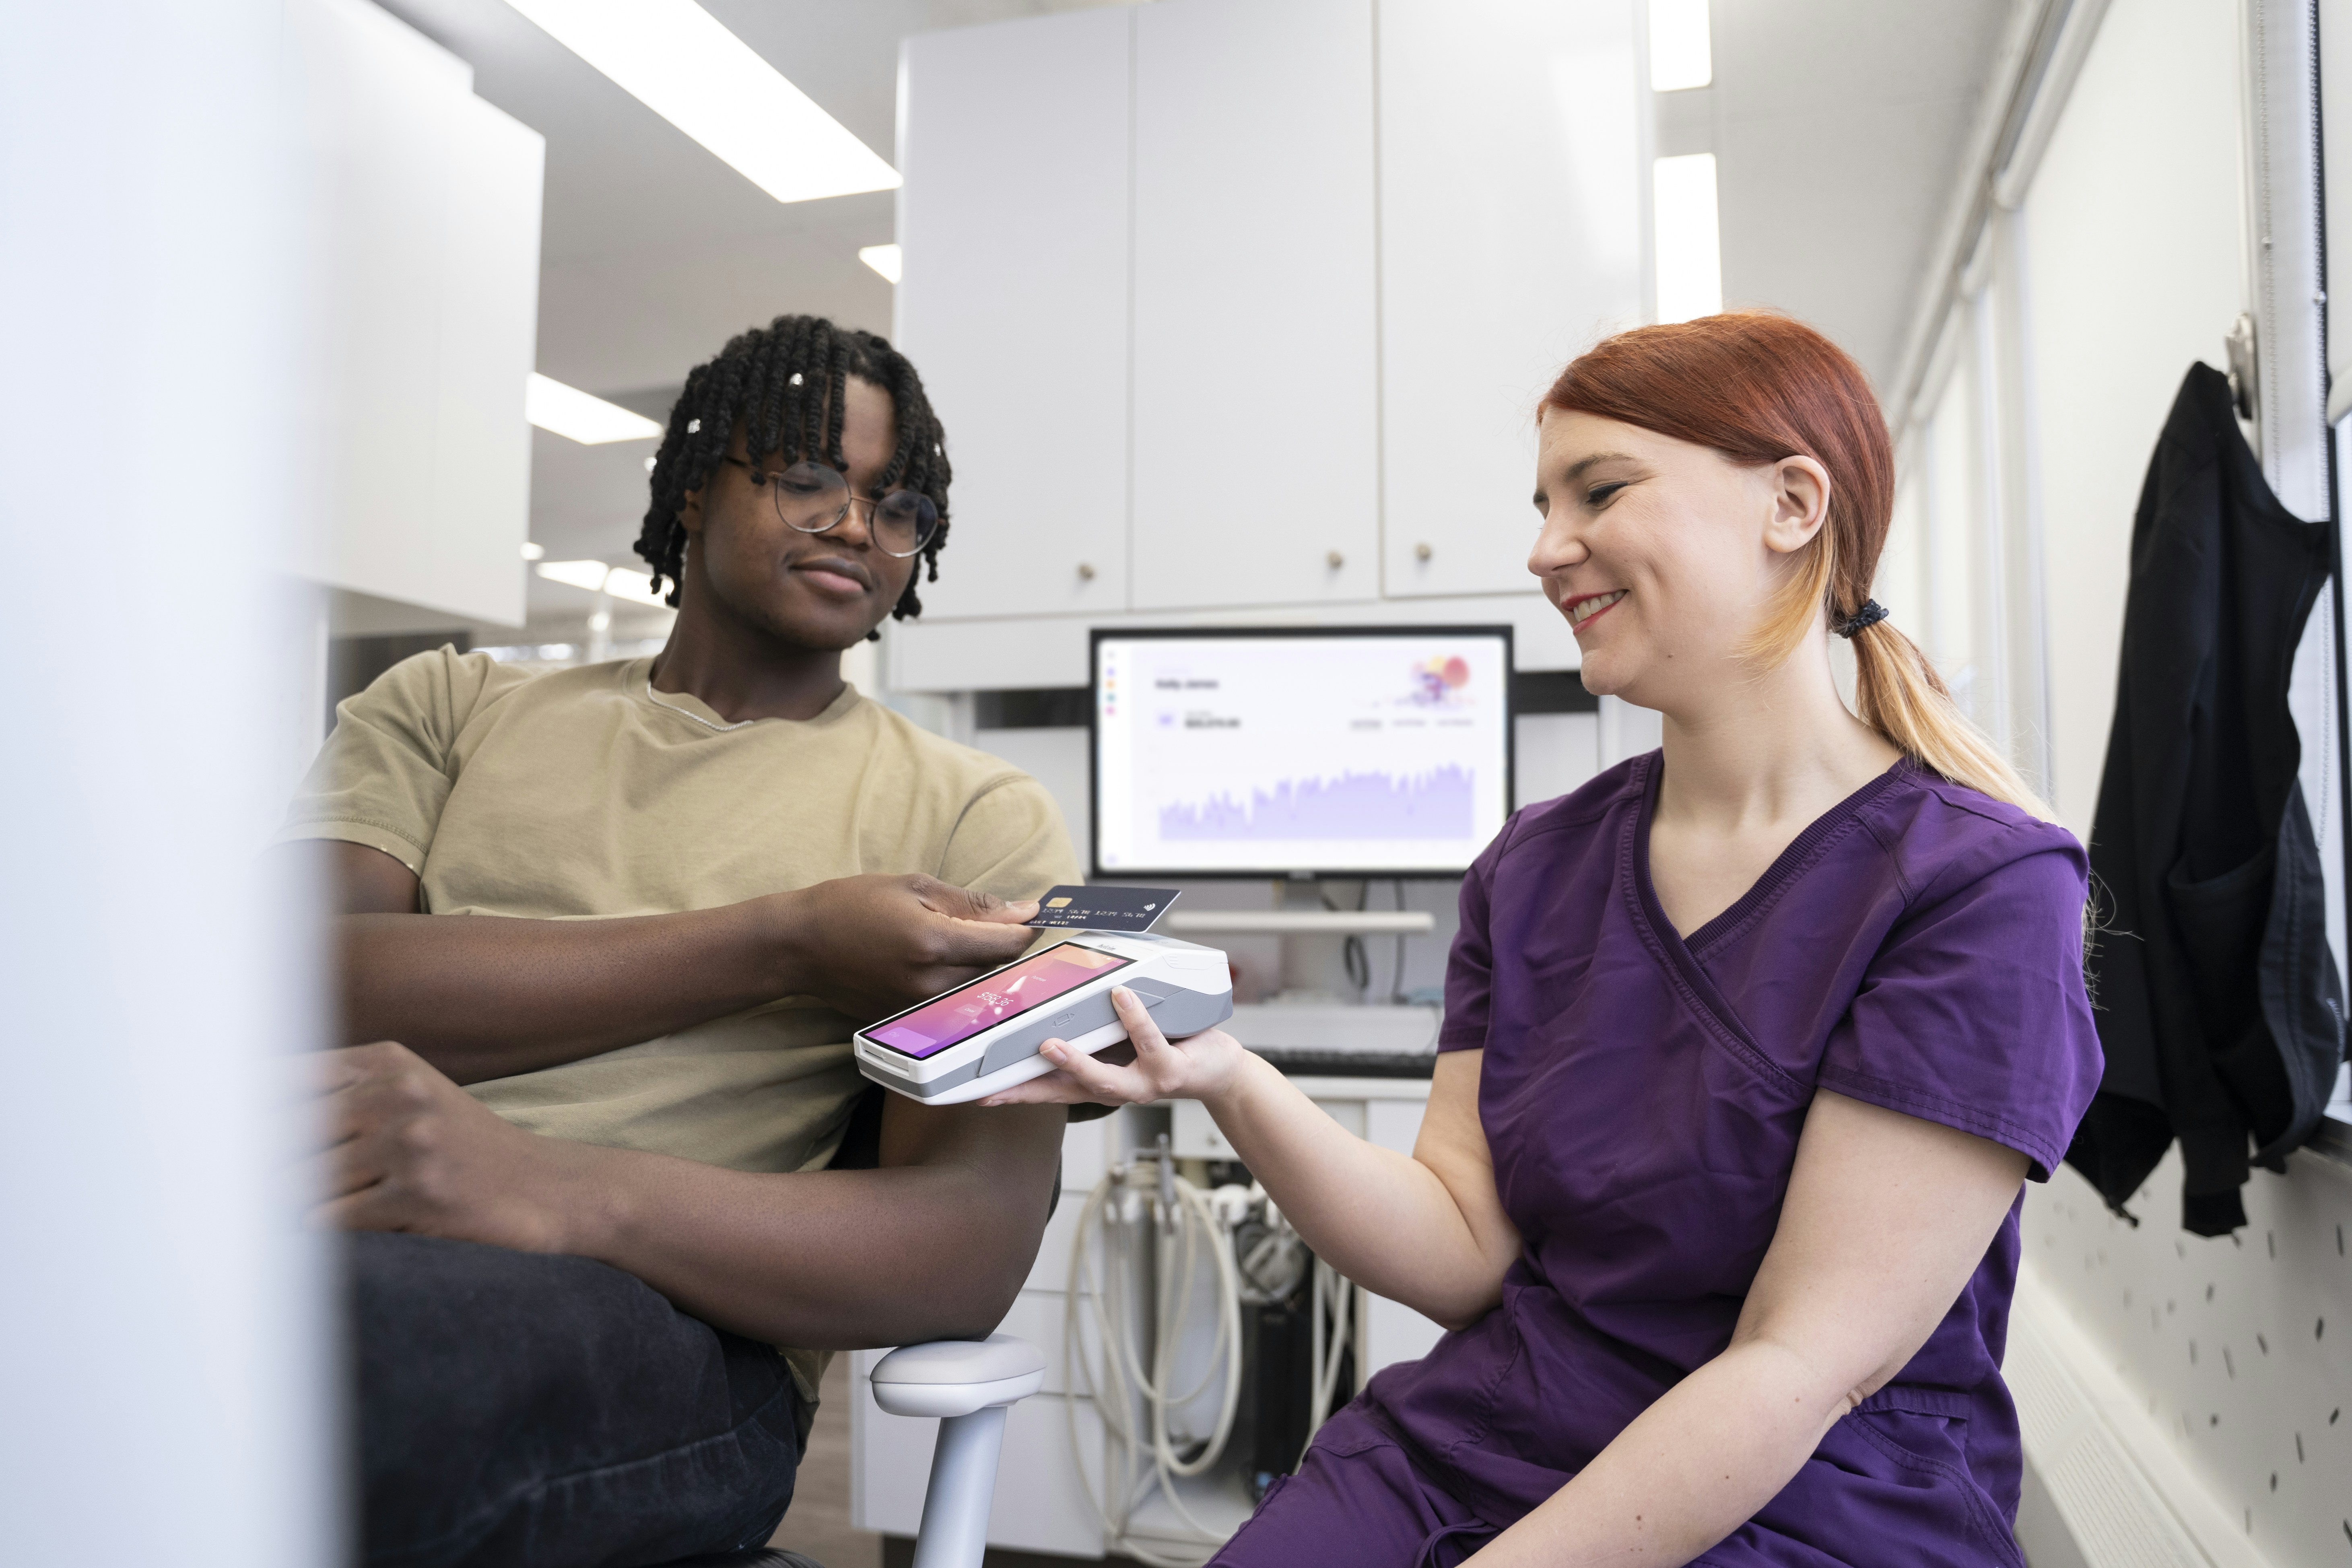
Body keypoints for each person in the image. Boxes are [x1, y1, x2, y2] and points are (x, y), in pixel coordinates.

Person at [994, 313, 2101, 1568]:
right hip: (1487, 1435)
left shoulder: (1979, 886)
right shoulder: (1534, 865)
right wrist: (1225, 1075)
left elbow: (1799, 1366)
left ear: (1794, 502)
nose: (1543, 549)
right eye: (1540, 502)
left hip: (1805, 1488)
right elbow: (1463, 1247)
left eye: (1601, 490)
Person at [279, 315, 1079, 1568]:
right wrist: (788, 939)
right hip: (327, 1226)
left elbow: (962, 1247)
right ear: (697, 487)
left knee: (293, 1372)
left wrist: (544, 1187)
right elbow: (294, 987)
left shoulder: (974, 817)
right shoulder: (448, 705)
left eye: (895, 502)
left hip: (677, 1338)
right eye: (810, 476)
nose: (855, 525)